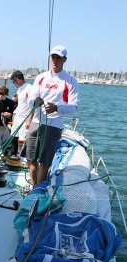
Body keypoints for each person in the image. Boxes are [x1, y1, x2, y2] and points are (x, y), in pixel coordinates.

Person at [26, 45, 80, 185]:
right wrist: (35, 101)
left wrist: (57, 108)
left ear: (64, 59)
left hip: (53, 125)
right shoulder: (41, 77)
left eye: (59, 57)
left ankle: (37, 191)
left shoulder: (70, 81)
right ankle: (34, 186)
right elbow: (31, 98)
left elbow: (75, 106)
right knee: (30, 158)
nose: (55, 60)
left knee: (44, 162)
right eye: (53, 57)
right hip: (36, 122)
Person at [10, 70, 38, 155]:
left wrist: (29, 120)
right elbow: (17, 97)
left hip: (25, 118)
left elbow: (33, 105)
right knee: (13, 136)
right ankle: (13, 156)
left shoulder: (29, 88)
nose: (14, 83)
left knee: (23, 139)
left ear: (18, 79)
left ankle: (24, 158)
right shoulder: (20, 89)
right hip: (18, 116)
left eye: (14, 81)